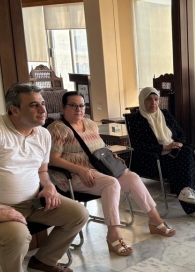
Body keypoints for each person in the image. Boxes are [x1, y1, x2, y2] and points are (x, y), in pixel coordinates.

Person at [0, 83, 89, 272]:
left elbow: (42, 171)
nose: (43, 109)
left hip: (33, 201)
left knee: (79, 213)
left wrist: (48, 186)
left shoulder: (43, 134)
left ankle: (43, 261)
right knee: (17, 235)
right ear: (14, 109)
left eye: (42, 103)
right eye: (33, 105)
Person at [48, 91, 176, 257]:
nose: (78, 109)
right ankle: (113, 234)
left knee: (132, 177)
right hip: (74, 176)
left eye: (81, 105)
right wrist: (80, 170)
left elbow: (100, 147)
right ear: (63, 107)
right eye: (73, 105)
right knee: (111, 183)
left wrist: (111, 156)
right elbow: (53, 159)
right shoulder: (57, 129)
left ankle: (155, 220)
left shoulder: (90, 124)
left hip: (99, 170)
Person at [127, 87, 195, 221]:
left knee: (187, 151)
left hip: (174, 152)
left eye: (156, 99)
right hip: (153, 159)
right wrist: (164, 147)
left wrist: (178, 144)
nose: (153, 103)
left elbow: (181, 134)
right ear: (142, 101)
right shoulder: (136, 119)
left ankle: (187, 191)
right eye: (149, 99)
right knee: (187, 165)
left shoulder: (165, 114)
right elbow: (139, 146)